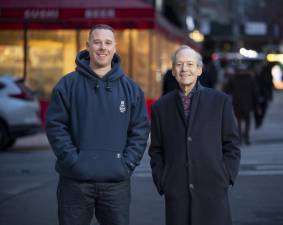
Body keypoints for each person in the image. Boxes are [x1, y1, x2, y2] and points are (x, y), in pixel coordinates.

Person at [46, 24, 149, 225]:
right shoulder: (67, 85)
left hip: (116, 184)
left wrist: (126, 164)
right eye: (97, 42)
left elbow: (140, 130)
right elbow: (56, 126)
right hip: (75, 182)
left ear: (115, 47)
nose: (103, 47)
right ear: (88, 46)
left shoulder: (131, 89)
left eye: (108, 43)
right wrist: (72, 161)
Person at [149, 45, 241, 225]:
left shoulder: (219, 101)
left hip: (213, 189)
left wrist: (226, 175)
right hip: (177, 192)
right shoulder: (161, 107)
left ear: (199, 70)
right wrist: (162, 180)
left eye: (190, 64)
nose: (185, 69)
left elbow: (231, 144)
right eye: (179, 65)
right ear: (173, 71)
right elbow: (156, 150)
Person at [225, 65, 258, 145]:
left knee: (238, 121)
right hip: (248, 103)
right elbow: (255, 92)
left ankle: (239, 137)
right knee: (247, 120)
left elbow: (227, 90)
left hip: (237, 103)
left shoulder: (233, 79)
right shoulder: (250, 79)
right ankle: (246, 137)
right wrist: (256, 104)